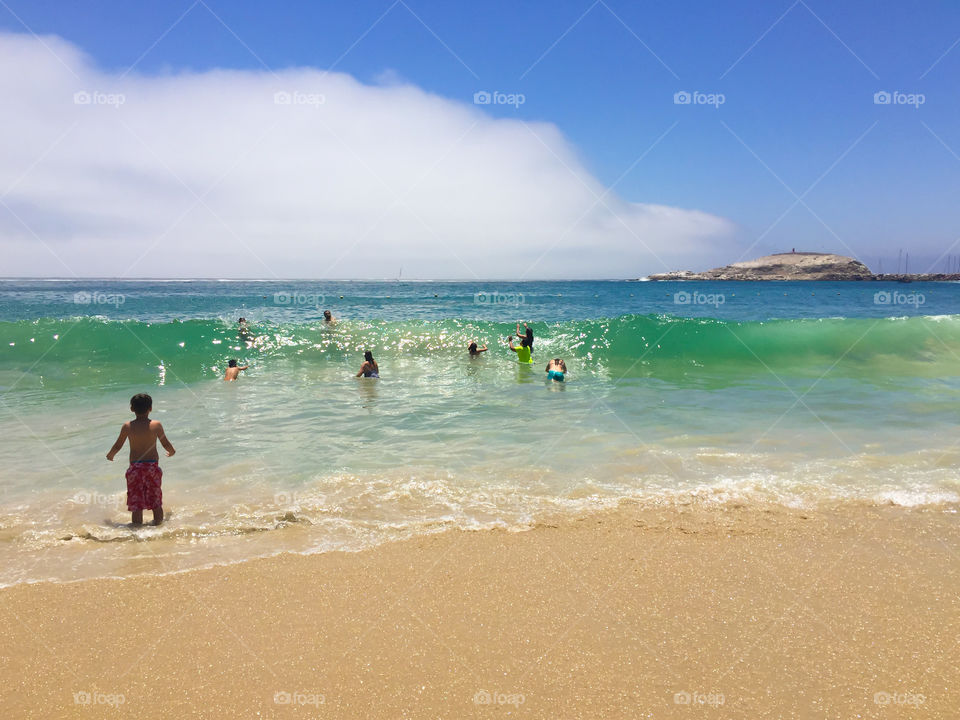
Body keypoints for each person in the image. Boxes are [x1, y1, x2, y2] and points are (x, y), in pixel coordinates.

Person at [106, 393, 175, 526]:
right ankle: (158, 525)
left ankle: (137, 529)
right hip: (152, 468)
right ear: (150, 408)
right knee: (156, 501)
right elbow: (165, 443)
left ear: (132, 409)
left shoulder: (127, 426)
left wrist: (111, 455)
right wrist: (171, 451)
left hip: (135, 469)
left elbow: (118, 445)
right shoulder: (156, 425)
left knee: (136, 503)